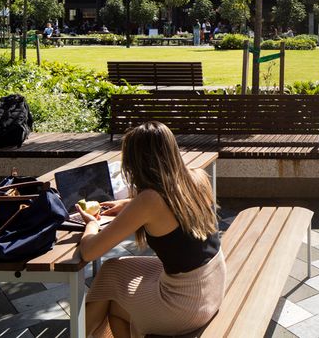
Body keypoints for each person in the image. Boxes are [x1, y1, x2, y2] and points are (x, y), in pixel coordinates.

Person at [76, 122, 223, 338]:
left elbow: (89, 252)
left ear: (136, 163)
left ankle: (80, 333)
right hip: (210, 285)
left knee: (115, 307)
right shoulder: (197, 177)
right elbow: (172, 202)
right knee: (110, 271)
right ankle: (81, 333)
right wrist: (128, 204)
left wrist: (92, 225)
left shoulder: (149, 201)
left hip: (185, 305)